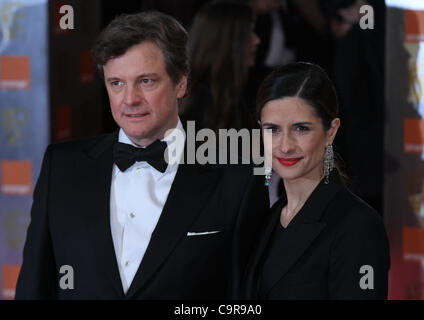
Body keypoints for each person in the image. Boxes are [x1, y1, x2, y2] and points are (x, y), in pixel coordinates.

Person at [15, 11, 269, 299]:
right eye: (117, 83)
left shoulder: (237, 177)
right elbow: (34, 287)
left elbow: (245, 299)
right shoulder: (62, 167)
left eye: (146, 81)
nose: (130, 99)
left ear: (181, 83)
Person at [241, 62, 390, 299]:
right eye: (273, 130)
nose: (285, 146)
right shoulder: (266, 219)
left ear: (331, 131)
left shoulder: (358, 226)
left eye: (301, 129)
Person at [180, 1, 260, 131]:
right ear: (227, 41)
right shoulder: (199, 104)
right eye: (248, 33)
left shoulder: (229, 94)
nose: (257, 40)